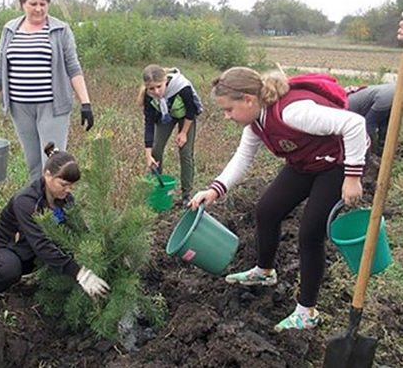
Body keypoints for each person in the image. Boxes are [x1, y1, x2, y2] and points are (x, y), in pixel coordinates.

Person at [190, 67, 367, 332]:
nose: (227, 117)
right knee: (267, 210)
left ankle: (307, 311)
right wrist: (215, 190)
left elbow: (354, 124)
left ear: (248, 99)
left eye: (229, 109)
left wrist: (352, 177)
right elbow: (243, 157)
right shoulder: (256, 123)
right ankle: (264, 272)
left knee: (309, 233)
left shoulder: (292, 112)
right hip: (305, 163)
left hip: (336, 164)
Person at [0, 142, 109, 316]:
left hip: (36, 253)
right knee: (9, 270)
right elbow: (40, 243)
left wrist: (104, 253)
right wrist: (80, 273)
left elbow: (79, 232)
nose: (68, 190)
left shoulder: (66, 201)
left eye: (71, 186)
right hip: (9, 250)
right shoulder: (25, 202)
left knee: (64, 248)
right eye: (64, 184)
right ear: (48, 176)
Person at [0, 0, 94, 181]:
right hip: (20, 106)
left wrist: (86, 103)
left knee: (53, 161)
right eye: (33, 3)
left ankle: (56, 208)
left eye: (43, 4)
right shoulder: (10, 30)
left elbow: (74, 69)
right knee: (33, 161)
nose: (38, 9)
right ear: (23, 4)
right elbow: (0, 69)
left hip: (52, 106)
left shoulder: (60, 30)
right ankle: (39, 206)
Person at [138, 65, 203, 207]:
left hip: (186, 116)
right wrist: (148, 155)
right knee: (156, 150)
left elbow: (191, 111)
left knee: (185, 152)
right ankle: (156, 188)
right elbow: (149, 125)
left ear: (165, 81)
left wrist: (183, 133)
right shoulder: (149, 97)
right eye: (151, 88)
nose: (156, 91)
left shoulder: (182, 87)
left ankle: (186, 194)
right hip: (166, 116)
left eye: (159, 87)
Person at [345, 83, 395, 155]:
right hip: (348, 110)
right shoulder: (388, 96)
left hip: (380, 100)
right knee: (370, 126)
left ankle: (378, 150)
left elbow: (383, 123)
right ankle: (370, 153)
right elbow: (369, 125)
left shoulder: (393, 91)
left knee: (384, 123)